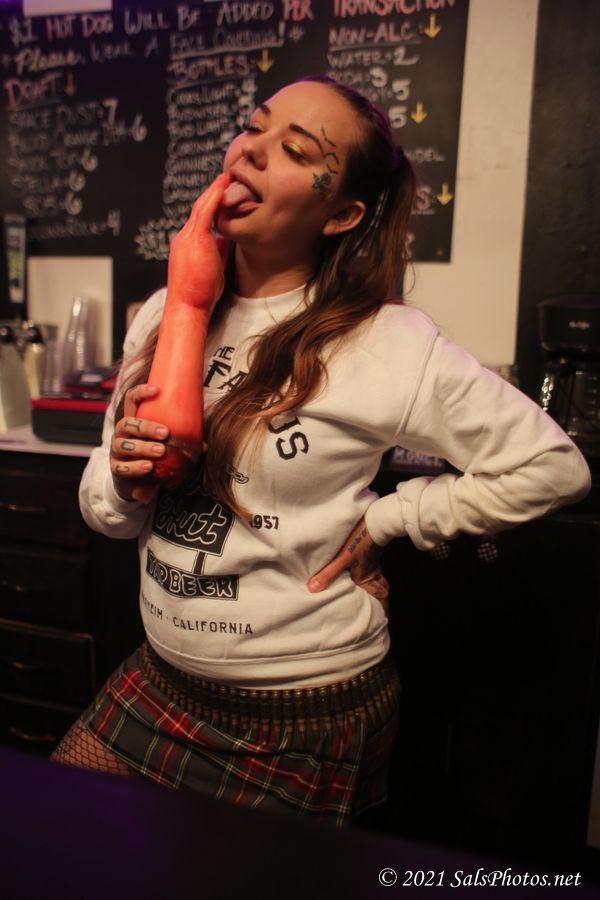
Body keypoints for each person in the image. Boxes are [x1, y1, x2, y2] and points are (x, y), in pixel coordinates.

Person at [50, 75, 590, 826]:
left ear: (341, 214)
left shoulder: (385, 342)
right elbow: (108, 516)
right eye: (254, 127)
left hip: (300, 715)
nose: (250, 151)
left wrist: (396, 517)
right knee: (49, 840)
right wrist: (121, 477)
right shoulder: (163, 315)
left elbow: (554, 466)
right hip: (161, 681)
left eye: (296, 150)